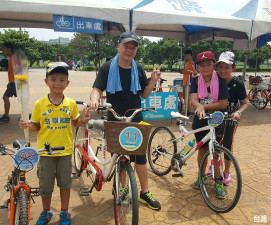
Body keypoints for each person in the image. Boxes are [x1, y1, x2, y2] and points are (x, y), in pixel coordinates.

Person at [89, 31, 162, 210]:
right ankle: (122, 189)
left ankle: (144, 193)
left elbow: (144, 94)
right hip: (114, 118)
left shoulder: (137, 68)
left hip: (135, 117)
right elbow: (97, 89)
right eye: (126, 46)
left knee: (140, 158)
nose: (129, 50)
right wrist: (94, 99)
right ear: (118, 46)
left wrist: (152, 81)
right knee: (121, 156)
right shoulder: (107, 67)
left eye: (133, 47)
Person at [19, 62, 91, 225]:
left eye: (61, 80)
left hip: (65, 152)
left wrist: (83, 121)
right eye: (53, 79)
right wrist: (27, 126)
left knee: (65, 184)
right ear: (46, 82)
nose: (57, 83)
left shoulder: (71, 104)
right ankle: (47, 211)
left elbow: (75, 123)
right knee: (45, 186)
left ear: (67, 83)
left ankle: (64, 212)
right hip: (46, 153)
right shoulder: (39, 104)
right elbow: (36, 126)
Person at [189, 51, 229, 199]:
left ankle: (218, 181)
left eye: (209, 64)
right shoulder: (196, 80)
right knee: (202, 150)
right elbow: (193, 100)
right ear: (197, 66)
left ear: (214, 65)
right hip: (200, 121)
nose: (205, 68)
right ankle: (201, 176)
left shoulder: (220, 79)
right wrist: (197, 105)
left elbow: (223, 103)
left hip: (216, 120)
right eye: (202, 65)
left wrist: (203, 106)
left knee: (215, 151)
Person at [214, 51, 248, 185]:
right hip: (216, 119)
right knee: (214, 146)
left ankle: (227, 172)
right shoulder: (214, 80)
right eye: (220, 67)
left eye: (227, 67)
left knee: (227, 146)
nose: (223, 70)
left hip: (230, 120)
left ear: (233, 68)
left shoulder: (238, 84)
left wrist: (238, 112)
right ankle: (215, 168)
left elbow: (244, 103)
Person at [0, 42, 16, 123]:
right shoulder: (11, 58)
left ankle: (6, 117)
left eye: (4, 48)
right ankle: (26, 116)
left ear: (9, 49)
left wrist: (13, 82)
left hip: (15, 83)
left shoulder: (14, 58)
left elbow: (20, 71)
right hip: (13, 82)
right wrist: (10, 82)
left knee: (5, 97)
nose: (3, 50)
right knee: (21, 99)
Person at [179, 49, 197, 115]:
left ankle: (188, 111)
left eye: (186, 55)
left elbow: (193, 72)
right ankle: (187, 110)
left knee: (188, 98)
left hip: (189, 82)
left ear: (189, 55)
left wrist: (184, 71)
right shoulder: (187, 63)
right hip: (185, 81)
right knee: (185, 97)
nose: (186, 57)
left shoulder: (193, 62)